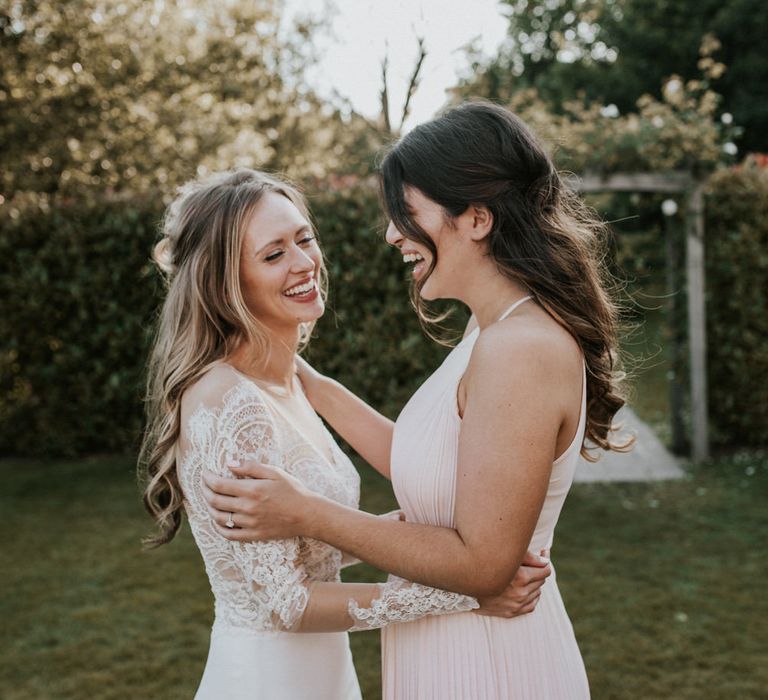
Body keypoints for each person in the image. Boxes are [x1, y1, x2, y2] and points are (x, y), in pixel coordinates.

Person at [204, 102, 630, 699]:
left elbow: (484, 566)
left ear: (475, 218)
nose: (391, 234)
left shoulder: (518, 349)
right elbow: (424, 459)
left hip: (488, 659)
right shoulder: (492, 331)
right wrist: (301, 376)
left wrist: (307, 512)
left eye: (407, 213)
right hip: (456, 642)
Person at [138, 167, 552, 700]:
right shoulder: (229, 403)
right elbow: (288, 602)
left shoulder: (287, 386)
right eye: (273, 254)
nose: (304, 262)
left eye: (304, 239)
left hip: (325, 677)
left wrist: (430, 531)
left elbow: (306, 546)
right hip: (269, 680)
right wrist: (466, 592)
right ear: (225, 282)